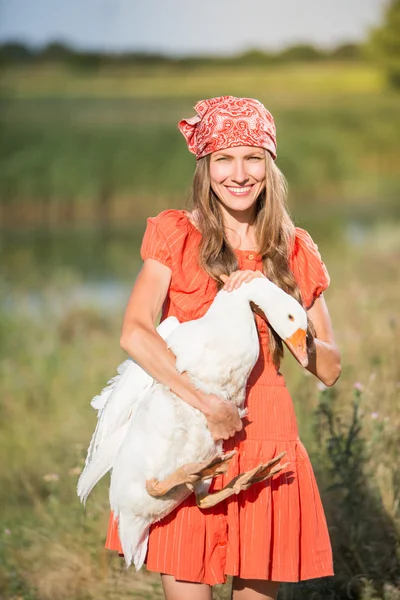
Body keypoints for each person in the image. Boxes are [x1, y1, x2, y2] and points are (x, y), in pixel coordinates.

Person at [105, 96, 341, 600]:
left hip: (267, 441)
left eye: (252, 157)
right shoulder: (176, 235)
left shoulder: (294, 248)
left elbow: (332, 368)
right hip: (189, 440)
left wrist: (277, 302)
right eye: (224, 159)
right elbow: (135, 332)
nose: (239, 173)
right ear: (206, 168)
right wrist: (206, 405)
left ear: (270, 164)